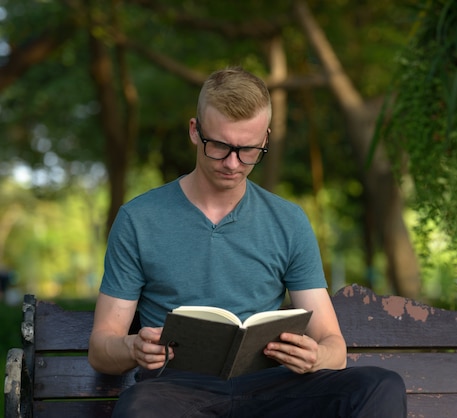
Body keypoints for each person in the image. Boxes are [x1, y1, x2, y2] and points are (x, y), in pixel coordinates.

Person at [88, 66, 407, 417]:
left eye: (249, 150)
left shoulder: (288, 221)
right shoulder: (138, 219)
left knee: (380, 385)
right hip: (175, 392)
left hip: (272, 391)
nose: (232, 163)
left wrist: (315, 356)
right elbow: (101, 349)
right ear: (195, 131)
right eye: (220, 146)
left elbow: (335, 346)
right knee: (139, 409)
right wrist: (133, 347)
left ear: (266, 139)